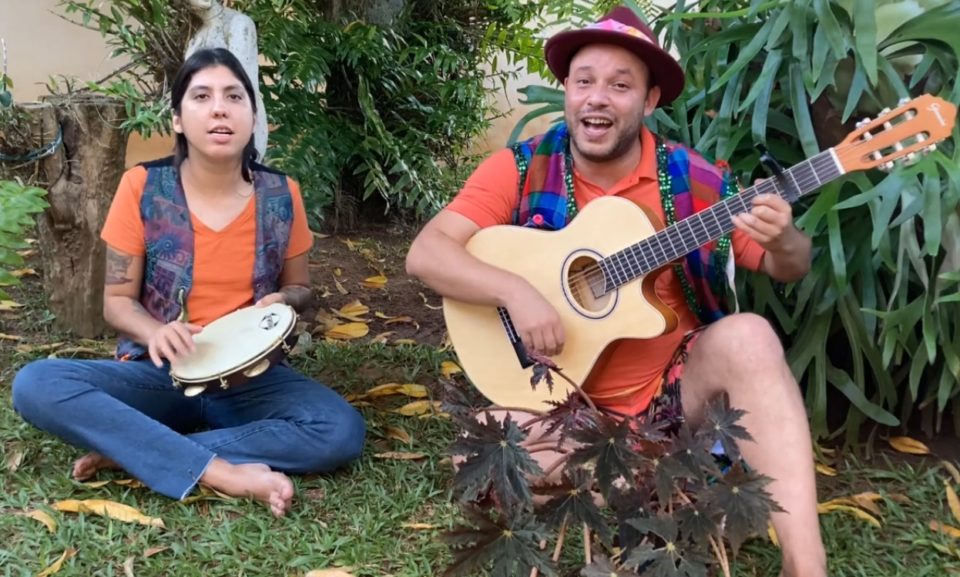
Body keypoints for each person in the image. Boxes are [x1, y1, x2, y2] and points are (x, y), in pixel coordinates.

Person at [406, 6, 826, 577]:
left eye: (620, 85)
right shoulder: (522, 168)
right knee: (483, 446)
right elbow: (427, 254)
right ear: (567, 91)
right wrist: (515, 292)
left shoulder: (693, 180)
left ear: (650, 100)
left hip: (672, 401)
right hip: (559, 405)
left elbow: (789, 266)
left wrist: (784, 238)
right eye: (584, 82)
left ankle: (806, 564)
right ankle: (669, 490)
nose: (597, 98)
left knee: (749, 335)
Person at [12, 48, 365, 518]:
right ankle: (222, 471)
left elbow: (302, 290)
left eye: (234, 96)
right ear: (178, 119)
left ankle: (140, 448)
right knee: (36, 383)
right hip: (161, 374)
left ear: (251, 115)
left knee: (340, 429)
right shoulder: (143, 187)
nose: (219, 108)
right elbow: (116, 301)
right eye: (201, 96)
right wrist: (156, 332)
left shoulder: (282, 194)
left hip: (250, 381)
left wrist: (285, 300)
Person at [185, 0, 268, 159]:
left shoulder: (239, 23)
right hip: (204, 129)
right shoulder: (197, 35)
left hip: (236, 120)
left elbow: (239, 82)